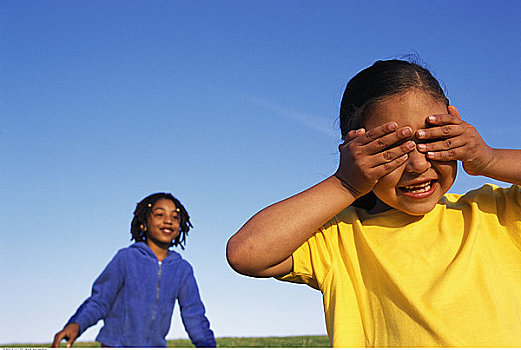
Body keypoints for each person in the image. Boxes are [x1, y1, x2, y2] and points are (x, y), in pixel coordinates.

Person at [226, 59, 521, 347]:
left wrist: (489, 158)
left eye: (431, 140)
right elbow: (246, 253)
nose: (417, 164)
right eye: (391, 149)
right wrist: (345, 183)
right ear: (353, 151)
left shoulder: (493, 211)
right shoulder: (341, 237)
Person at [53, 193, 216, 348]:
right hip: (115, 345)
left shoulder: (183, 269)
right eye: (160, 214)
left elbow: (193, 314)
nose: (168, 220)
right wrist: (76, 324)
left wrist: (207, 346)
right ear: (143, 224)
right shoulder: (126, 258)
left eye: (175, 217)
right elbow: (100, 300)